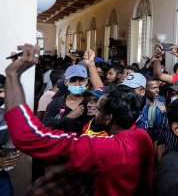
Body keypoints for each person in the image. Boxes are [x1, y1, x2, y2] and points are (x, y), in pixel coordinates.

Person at [4, 44, 154, 195]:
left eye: (99, 110)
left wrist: (13, 75)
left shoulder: (104, 148)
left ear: (108, 118)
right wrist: (91, 64)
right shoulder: (141, 137)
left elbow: (27, 136)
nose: (95, 112)